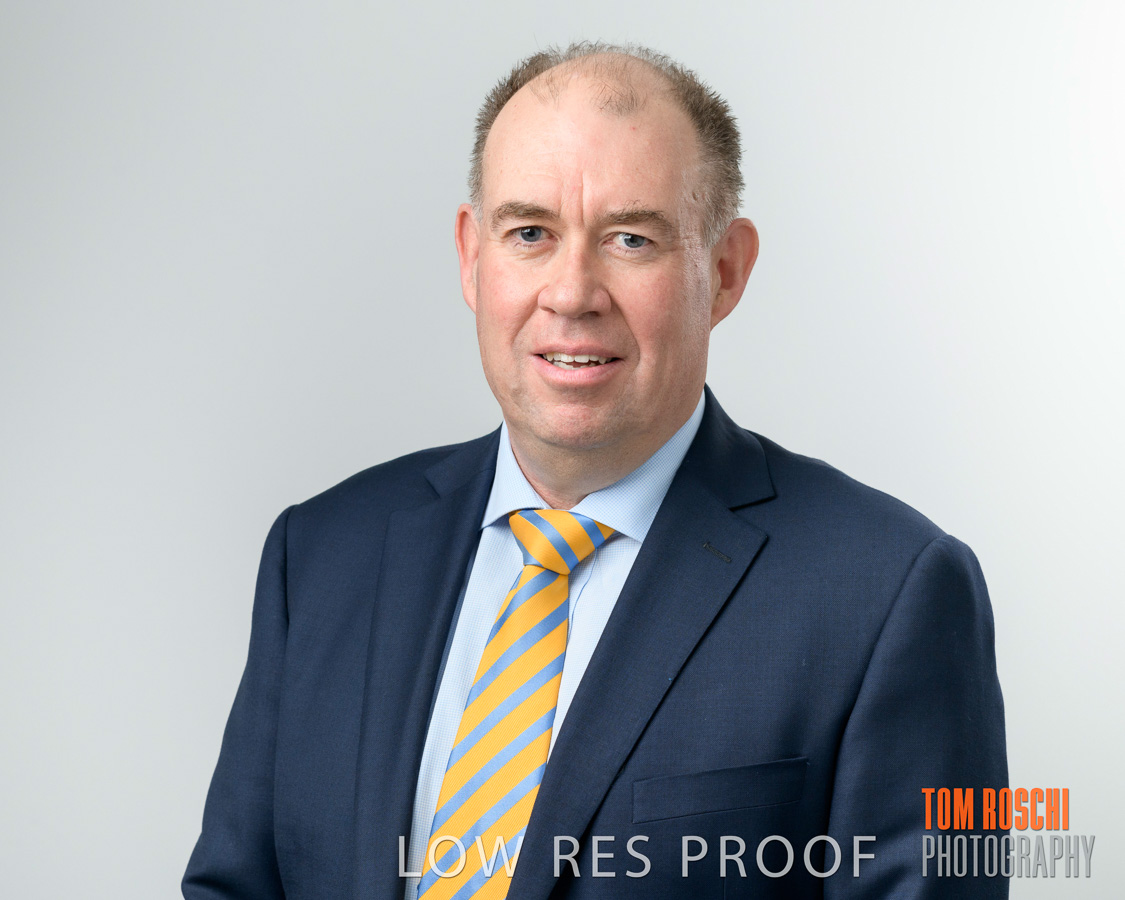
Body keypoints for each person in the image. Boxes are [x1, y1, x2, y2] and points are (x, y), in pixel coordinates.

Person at [183, 42, 1008, 899]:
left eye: (630, 239)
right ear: (471, 256)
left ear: (724, 270)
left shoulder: (890, 592)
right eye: (529, 234)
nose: (572, 293)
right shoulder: (320, 554)